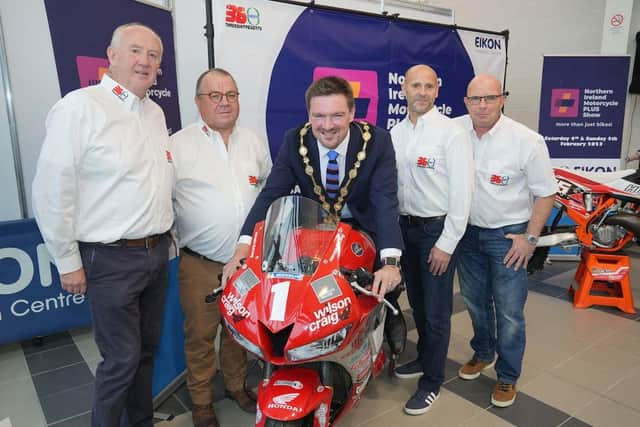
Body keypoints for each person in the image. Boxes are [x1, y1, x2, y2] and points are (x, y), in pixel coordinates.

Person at [32, 23, 173, 426]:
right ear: (111, 56)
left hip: (156, 254)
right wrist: (67, 259)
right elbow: (52, 188)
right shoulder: (81, 107)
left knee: (145, 353)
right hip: (109, 260)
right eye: (135, 51)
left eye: (153, 55)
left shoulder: (154, 111)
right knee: (121, 361)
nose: (144, 61)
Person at [222, 76, 403, 301]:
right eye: (319, 116)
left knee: (382, 292)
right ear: (309, 115)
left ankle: (389, 323)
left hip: (364, 232)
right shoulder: (295, 141)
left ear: (352, 113)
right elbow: (271, 195)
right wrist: (243, 247)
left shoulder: (377, 142)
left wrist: (391, 263)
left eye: (337, 115)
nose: (327, 126)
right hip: (316, 236)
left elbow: (385, 202)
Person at [171, 68, 271, 427]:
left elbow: (267, 192)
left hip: (246, 265)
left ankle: (236, 387)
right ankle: (201, 402)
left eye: (231, 94)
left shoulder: (253, 141)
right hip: (200, 264)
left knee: (239, 332)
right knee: (200, 336)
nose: (224, 102)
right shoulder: (178, 145)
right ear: (198, 102)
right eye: (214, 95)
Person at [455, 74, 556, 408]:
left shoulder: (526, 140)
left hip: (508, 237)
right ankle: (483, 352)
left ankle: (508, 375)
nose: (482, 105)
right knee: (474, 300)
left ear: (502, 99)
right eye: (475, 99)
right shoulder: (454, 133)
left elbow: (546, 193)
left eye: (489, 98)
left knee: (510, 311)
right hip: (467, 234)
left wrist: (530, 238)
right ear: (466, 102)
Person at [390, 65, 474, 415]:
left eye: (428, 86)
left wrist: (447, 242)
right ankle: (425, 359)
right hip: (405, 230)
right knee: (418, 305)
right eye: (415, 85)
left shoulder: (451, 133)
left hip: (435, 231)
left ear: (437, 91)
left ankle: (432, 382)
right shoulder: (394, 133)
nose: (421, 92)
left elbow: (463, 194)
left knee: (438, 311)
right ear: (404, 89)